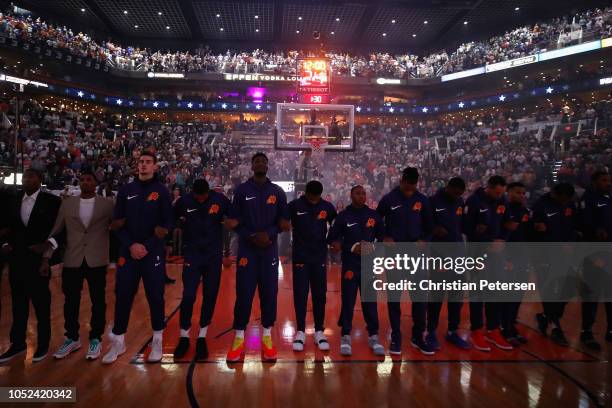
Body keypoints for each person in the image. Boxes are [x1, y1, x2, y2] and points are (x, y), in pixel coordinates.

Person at [102, 152, 173, 364]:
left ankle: (158, 339)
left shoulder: (161, 191)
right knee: (123, 295)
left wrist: (147, 245)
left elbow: (168, 223)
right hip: (129, 252)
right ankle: (119, 341)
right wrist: (131, 245)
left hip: (152, 253)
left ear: (155, 166)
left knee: (155, 296)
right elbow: (117, 224)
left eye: (148, 162)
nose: (143, 165)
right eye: (141, 162)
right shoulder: (126, 191)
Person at [37, 171, 114, 360]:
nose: (85, 182)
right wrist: (46, 257)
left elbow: (118, 227)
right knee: (70, 301)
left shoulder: (108, 204)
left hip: (97, 259)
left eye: (89, 180)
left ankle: (96, 337)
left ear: (96, 183)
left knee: (98, 301)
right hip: (73, 258)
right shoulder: (68, 203)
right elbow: (57, 230)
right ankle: (72, 337)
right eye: (83, 180)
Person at [225, 153, 290, 362]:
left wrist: (268, 235)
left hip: (269, 249)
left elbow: (283, 222)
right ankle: (238, 337)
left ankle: (267, 337)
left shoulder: (277, 192)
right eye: (257, 161)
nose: (260, 163)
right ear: (252, 166)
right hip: (247, 249)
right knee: (244, 293)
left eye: (263, 161)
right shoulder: (242, 191)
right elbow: (235, 221)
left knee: (269, 292)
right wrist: (252, 235)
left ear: (268, 166)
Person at [0, 168, 61, 363]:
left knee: (41, 305)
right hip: (17, 259)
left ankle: (43, 344)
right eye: (25, 176)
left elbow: (60, 229)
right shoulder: (13, 199)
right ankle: (17, 344)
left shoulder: (52, 202)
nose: (27, 179)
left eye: (31, 176)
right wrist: (4, 244)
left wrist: (48, 250)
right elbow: (5, 226)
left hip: (38, 260)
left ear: (40, 179)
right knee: (18, 305)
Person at [376, 167, 433, 355]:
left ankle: (418, 336)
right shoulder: (389, 199)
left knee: (420, 298)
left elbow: (429, 227)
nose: (411, 187)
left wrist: (424, 239)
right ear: (402, 181)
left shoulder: (422, 200)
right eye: (408, 183)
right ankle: (396, 337)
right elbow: (376, 221)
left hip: (417, 256)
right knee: (394, 297)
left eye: (414, 184)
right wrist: (384, 236)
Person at [173, 179, 230, 360]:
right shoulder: (184, 202)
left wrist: (227, 252)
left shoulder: (220, 200)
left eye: (203, 196)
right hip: (192, 254)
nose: (200, 199)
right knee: (189, 294)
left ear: (208, 192)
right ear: (193, 193)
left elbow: (232, 222)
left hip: (213, 255)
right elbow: (171, 219)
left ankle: (202, 336)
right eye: (197, 196)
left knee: (210, 294)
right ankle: (184, 335)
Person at [328, 185, 385, 356]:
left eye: (363, 193)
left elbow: (383, 238)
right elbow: (332, 238)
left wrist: (370, 248)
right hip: (350, 265)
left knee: (370, 301)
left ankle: (373, 336)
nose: (361, 196)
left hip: (369, 265)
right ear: (351, 195)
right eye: (358, 193)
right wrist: (350, 247)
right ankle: (346, 335)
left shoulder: (373, 216)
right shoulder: (343, 216)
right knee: (348, 300)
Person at [463, 175, 513, 351]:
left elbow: (508, 224)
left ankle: (493, 329)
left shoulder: (503, 201)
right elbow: (465, 228)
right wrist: (481, 237)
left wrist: (502, 240)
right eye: (497, 192)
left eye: (502, 193)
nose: (499, 196)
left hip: (496, 254)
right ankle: (476, 330)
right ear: (489, 187)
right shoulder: (473, 201)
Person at [288, 180, 336, 351]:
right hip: (300, 257)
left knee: (319, 295)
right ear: (306, 193)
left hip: (319, 257)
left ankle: (319, 331)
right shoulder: (294, 206)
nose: (314, 200)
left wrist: (330, 242)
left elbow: (335, 226)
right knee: (300, 294)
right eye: (311, 197)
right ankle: (300, 331)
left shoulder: (327, 207)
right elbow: (284, 223)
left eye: (317, 198)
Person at [532, 182, 579, 347]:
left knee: (571, 286)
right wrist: (537, 227)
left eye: (567, 200)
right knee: (549, 289)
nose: (564, 202)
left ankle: (546, 317)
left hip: (565, 254)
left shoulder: (570, 205)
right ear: (553, 194)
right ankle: (555, 326)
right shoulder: (540, 204)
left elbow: (574, 226)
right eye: (562, 199)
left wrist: (571, 242)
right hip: (544, 254)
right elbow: (532, 228)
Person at [427, 177, 472, 350]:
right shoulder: (432, 202)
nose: (457, 196)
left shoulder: (460, 202)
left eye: (460, 194)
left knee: (457, 296)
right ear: (448, 187)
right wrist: (434, 229)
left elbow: (463, 227)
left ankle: (453, 331)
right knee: (437, 295)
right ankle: (430, 331)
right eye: (455, 192)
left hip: (458, 255)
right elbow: (426, 226)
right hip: (438, 255)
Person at [579, 171, 612, 350]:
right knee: (592, 294)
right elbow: (586, 225)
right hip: (595, 253)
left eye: (609, 180)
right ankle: (586, 332)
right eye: (604, 180)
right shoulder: (588, 198)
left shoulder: (609, 198)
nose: (608, 183)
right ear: (594, 182)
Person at [500, 182, 531, 346]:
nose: (522, 195)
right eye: (518, 192)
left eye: (524, 193)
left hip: (522, 258)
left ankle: (511, 325)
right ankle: (503, 327)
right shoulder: (503, 209)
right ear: (509, 192)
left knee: (518, 295)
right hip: (507, 258)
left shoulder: (525, 211)